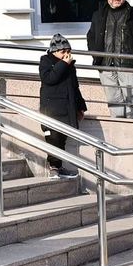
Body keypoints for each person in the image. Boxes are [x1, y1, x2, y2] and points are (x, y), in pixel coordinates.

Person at [39, 34, 87, 179]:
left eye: (68, 51)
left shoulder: (70, 65)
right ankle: (53, 167)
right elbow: (49, 78)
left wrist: (80, 107)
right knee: (53, 138)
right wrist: (63, 64)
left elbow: (75, 87)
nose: (66, 54)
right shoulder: (46, 61)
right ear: (54, 52)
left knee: (62, 139)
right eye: (63, 52)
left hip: (67, 108)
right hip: (51, 109)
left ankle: (59, 167)